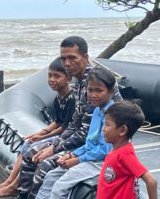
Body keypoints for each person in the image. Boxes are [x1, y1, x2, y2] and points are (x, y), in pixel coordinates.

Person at [18, 36, 122, 199]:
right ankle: (23, 195)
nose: (66, 63)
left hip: (96, 146)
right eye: (63, 58)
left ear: (85, 58)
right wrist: (55, 144)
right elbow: (74, 124)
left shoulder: (95, 84)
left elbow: (86, 133)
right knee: (31, 151)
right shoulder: (79, 82)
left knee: (46, 164)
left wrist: (56, 149)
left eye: (72, 58)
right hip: (86, 143)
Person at [0, 57, 76, 197]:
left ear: (68, 78)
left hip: (67, 137)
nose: (52, 79)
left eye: (57, 76)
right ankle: (10, 181)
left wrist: (43, 136)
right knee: (28, 142)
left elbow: (66, 128)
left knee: (33, 148)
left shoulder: (72, 99)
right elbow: (57, 122)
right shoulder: (58, 98)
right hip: (61, 132)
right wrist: (39, 133)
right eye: (50, 75)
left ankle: (14, 185)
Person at [35, 67, 116, 199]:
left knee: (60, 186)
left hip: (101, 162)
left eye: (99, 91)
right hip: (88, 157)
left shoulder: (113, 115)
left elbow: (104, 150)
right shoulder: (96, 111)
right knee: (50, 177)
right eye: (90, 90)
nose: (93, 95)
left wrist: (77, 160)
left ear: (111, 92)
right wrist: (71, 154)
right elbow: (90, 143)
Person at [97, 101, 158, 199]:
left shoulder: (125, 155)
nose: (103, 129)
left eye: (107, 125)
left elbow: (151, 181)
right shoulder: (117, 150)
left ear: (122, 130)